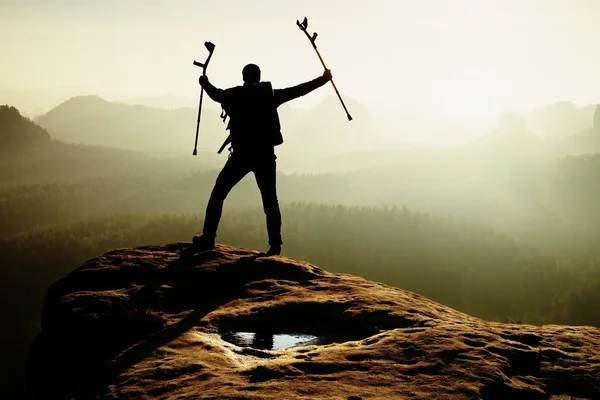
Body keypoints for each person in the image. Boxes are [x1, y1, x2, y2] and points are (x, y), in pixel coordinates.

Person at [193, 64, 333, 256]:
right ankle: (275, 245)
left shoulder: (235, 95)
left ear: (243, 76)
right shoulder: (270, 95)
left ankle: (208, 238)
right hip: (265, 156)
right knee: (270, 201)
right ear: (259, 77)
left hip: (241, 155)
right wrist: (323, 79)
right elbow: (299, 91)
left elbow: (216, 94)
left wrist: (204, 82)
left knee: (219, 193)